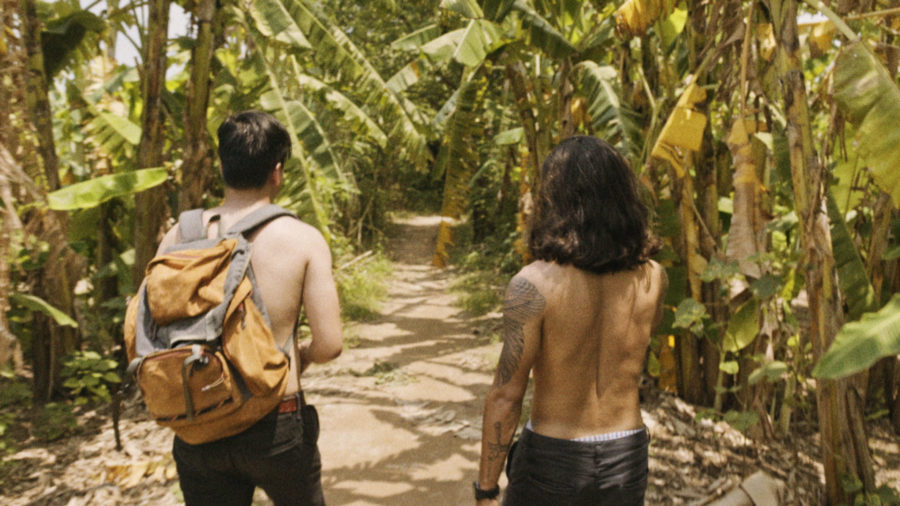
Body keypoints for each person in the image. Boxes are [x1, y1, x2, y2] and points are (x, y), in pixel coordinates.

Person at [156, 111, 343, 505]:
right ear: (277, 173)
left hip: (199, 423)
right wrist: (301, 356)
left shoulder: (178, 235)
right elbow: (329, 344)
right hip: (275, 421)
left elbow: (153, 330)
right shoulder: (302, 239)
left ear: (221, 166)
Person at [474, 135, 667, 506]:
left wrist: (486, 488)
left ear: (555, 199)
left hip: (553, 459)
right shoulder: (654, 279)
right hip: (626, 455)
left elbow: (506, 395)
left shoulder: (533, 284)